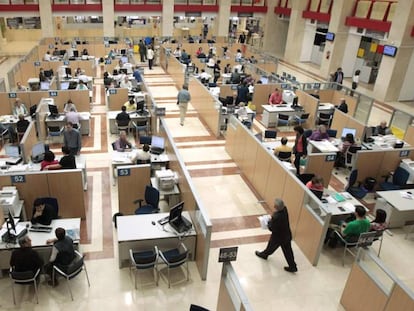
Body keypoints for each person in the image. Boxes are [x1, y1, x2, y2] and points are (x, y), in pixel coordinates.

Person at [255, 198, 298, 273]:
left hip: (278, 237)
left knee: (271, 246)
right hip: (287, 235)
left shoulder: (276, 217)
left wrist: (268, 222)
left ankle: (264, 255)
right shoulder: (285, 209)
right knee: (288, 251)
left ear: (277, 207)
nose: (274, 206)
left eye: (275, 205)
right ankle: (292, 266)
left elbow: (271, 228)